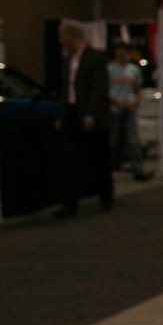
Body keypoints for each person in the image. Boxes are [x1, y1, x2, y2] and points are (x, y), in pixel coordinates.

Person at [53, 22, 114, 217]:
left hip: (90, 113)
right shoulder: (67, 60)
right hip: (72, 111)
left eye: (62, 36)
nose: (60, 41)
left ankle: (105, 196)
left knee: (98, 157)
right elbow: (65, 90)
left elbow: (99, 87)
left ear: (72, 37)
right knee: (70, 159)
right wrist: (62, 115)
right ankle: (70, 202)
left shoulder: (95, 58)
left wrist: (91, 114)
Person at [106, 43, 149, 180]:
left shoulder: (133, 69)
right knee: (113, 140)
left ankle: (137, 169)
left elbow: (138, 87)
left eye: (123, 51)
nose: (120, 54)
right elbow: (105, 90)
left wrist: (136, 101)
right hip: (115, 108)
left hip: (130, 107)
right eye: (118, 51)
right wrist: (116, 102)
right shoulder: (109, 69)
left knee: (133, 140)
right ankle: (110, 168)